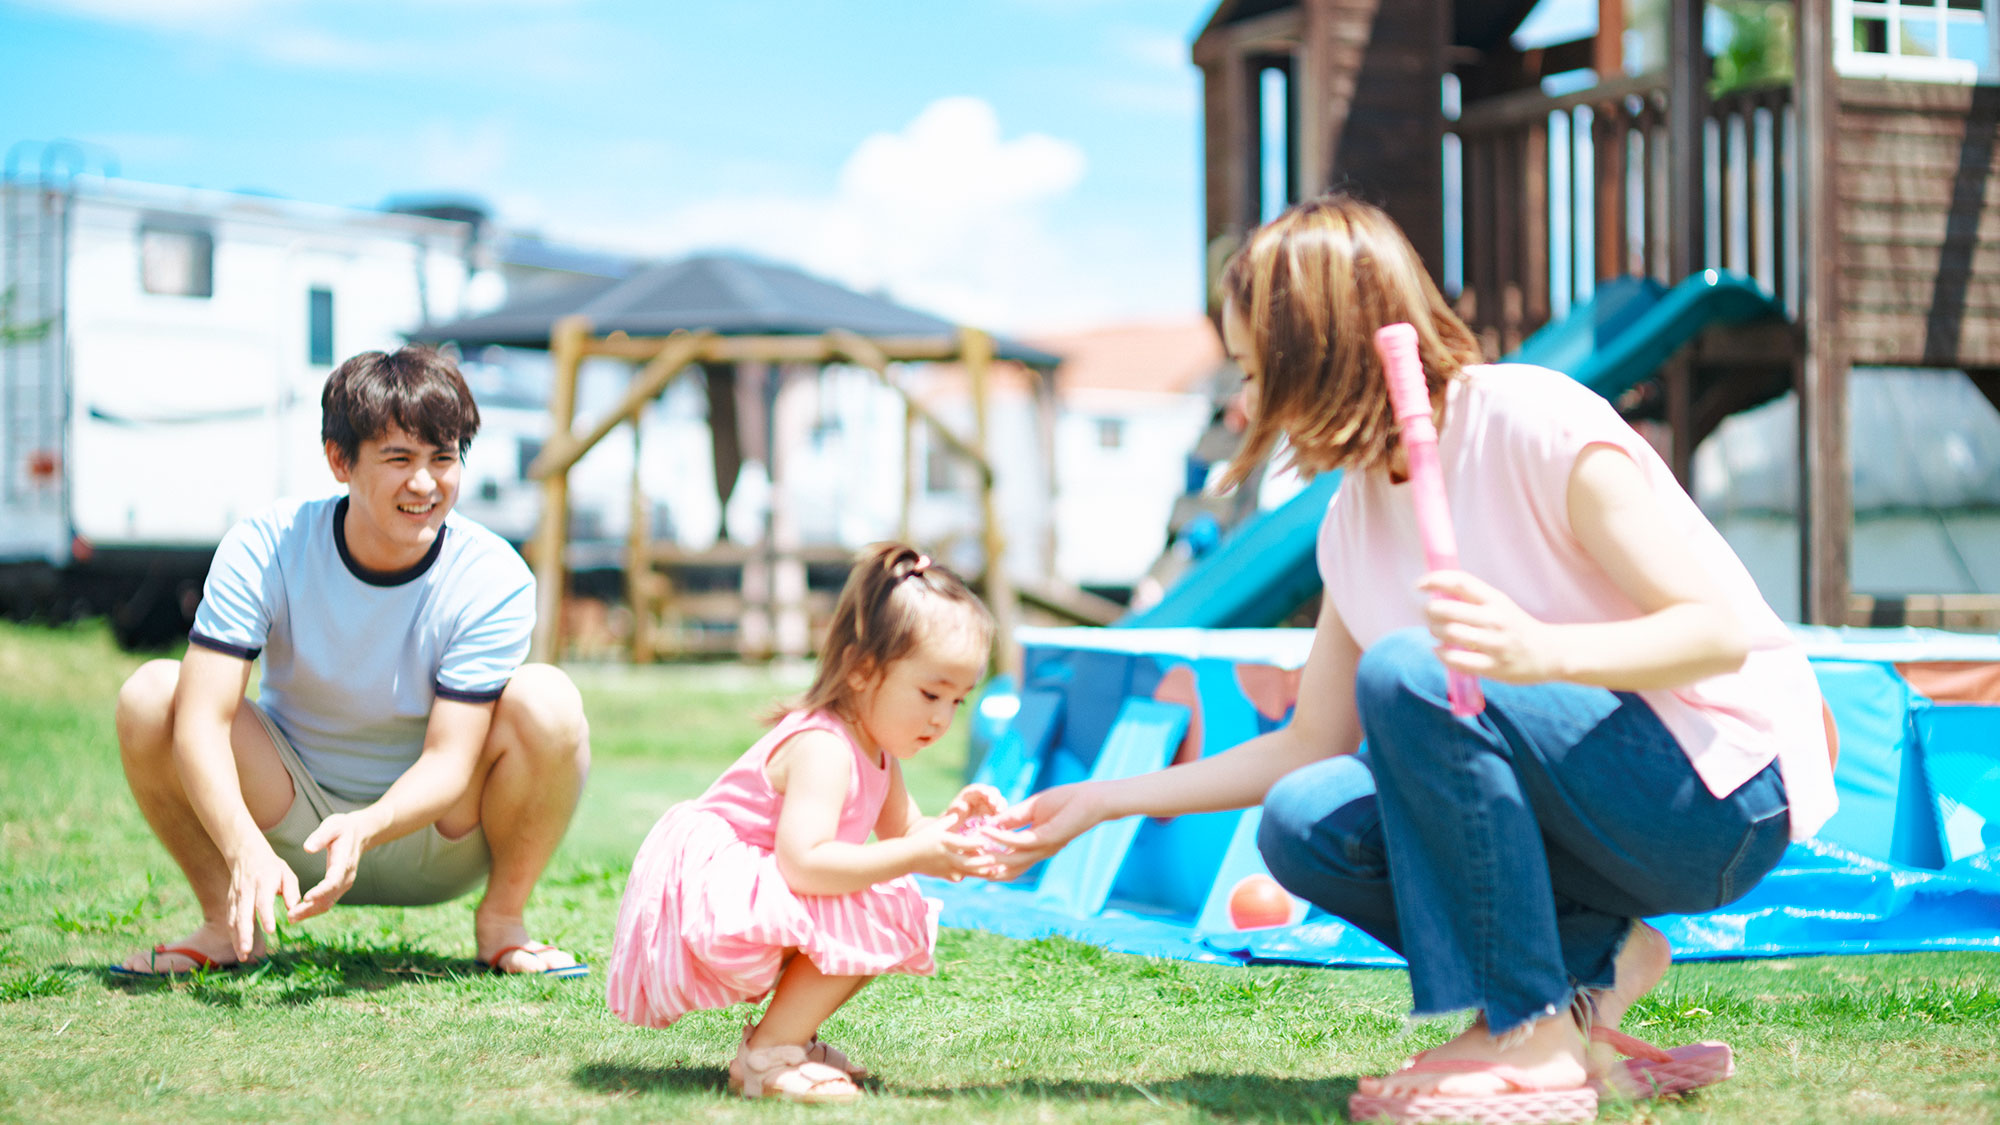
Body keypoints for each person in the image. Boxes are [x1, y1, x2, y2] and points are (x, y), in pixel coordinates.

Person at [992, 195, 1836, 1124]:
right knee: (1305, 819)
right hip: (1604, 825)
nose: (1241, 404)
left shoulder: (1534, 419)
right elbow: (1306, 746)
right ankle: (1592, 971)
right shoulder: (1352, 521)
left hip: (1721, 795)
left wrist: (1538, 650)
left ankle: (1535, 1034)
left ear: (1316, 350)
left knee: (1410, 670)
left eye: (1251, 369)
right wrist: (1100, 800)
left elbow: (1716, 630)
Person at [112, 347, 591, 979]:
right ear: (340, 460)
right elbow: (201, 721)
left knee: (548, 700)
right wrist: (243, 847)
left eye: (442, 459)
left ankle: (503, 922)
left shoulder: (492, 574)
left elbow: (451, 761)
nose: (425, 483)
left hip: (434, 833)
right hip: (282, 822)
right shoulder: (268, 544)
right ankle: (226, 925)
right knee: (153, 695)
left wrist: (366, 826)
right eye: (400, 459)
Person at [605, 544, 1003, 1104]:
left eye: (958, 701)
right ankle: (768, 1057)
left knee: (892, 900)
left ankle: (790, 1039)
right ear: (863, 670)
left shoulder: (879, 750)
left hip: (758, 888)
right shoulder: (826, 745)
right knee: (878, 900)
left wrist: (952, 833)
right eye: (930, 693)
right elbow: (807, 862)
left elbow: (906, 834)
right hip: (711, 894)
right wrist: (915, 856)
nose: (941, 717)